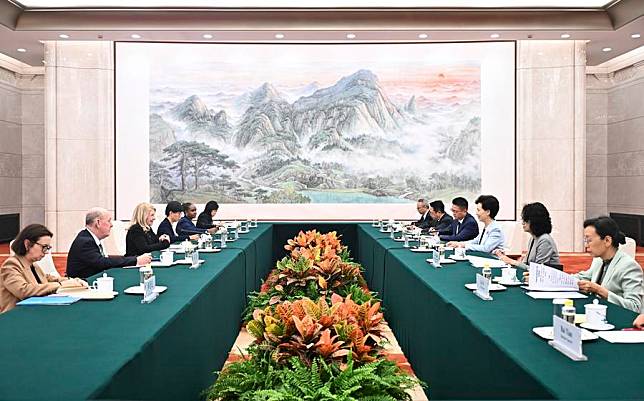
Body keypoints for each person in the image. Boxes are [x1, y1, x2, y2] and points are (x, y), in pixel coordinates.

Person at [0, 224, 87, 313]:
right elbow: (24, 291)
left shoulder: (33, 265)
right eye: (44, 247)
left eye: (48, 248)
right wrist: (61, 285)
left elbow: (47, 278)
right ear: (27, 244)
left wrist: (72, 281)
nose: (46, 252)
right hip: (16, 317)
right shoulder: (11, 265)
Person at [574, 216, 643, 313]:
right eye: (585, 241)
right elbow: (584, 277)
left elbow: (635, 307)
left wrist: (599, 290)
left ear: (607, 241)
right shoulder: (599, 260)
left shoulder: (629, 266)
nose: (586, 245)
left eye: (589, 240)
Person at [66, 208, 152, 279]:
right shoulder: (85, 241)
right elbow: (102, 263)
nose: (111, 225)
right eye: (109, 221)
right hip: (82, 289)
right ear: (98, 223)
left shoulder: (90, 238)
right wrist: (136, 260)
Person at [494, 202, 561, 269]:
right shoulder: (533, 238)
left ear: (536, 221)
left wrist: (511, 261)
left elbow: (538, 270)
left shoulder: (545, 240)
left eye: (526, 220)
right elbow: (526, 263)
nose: (523, 223)